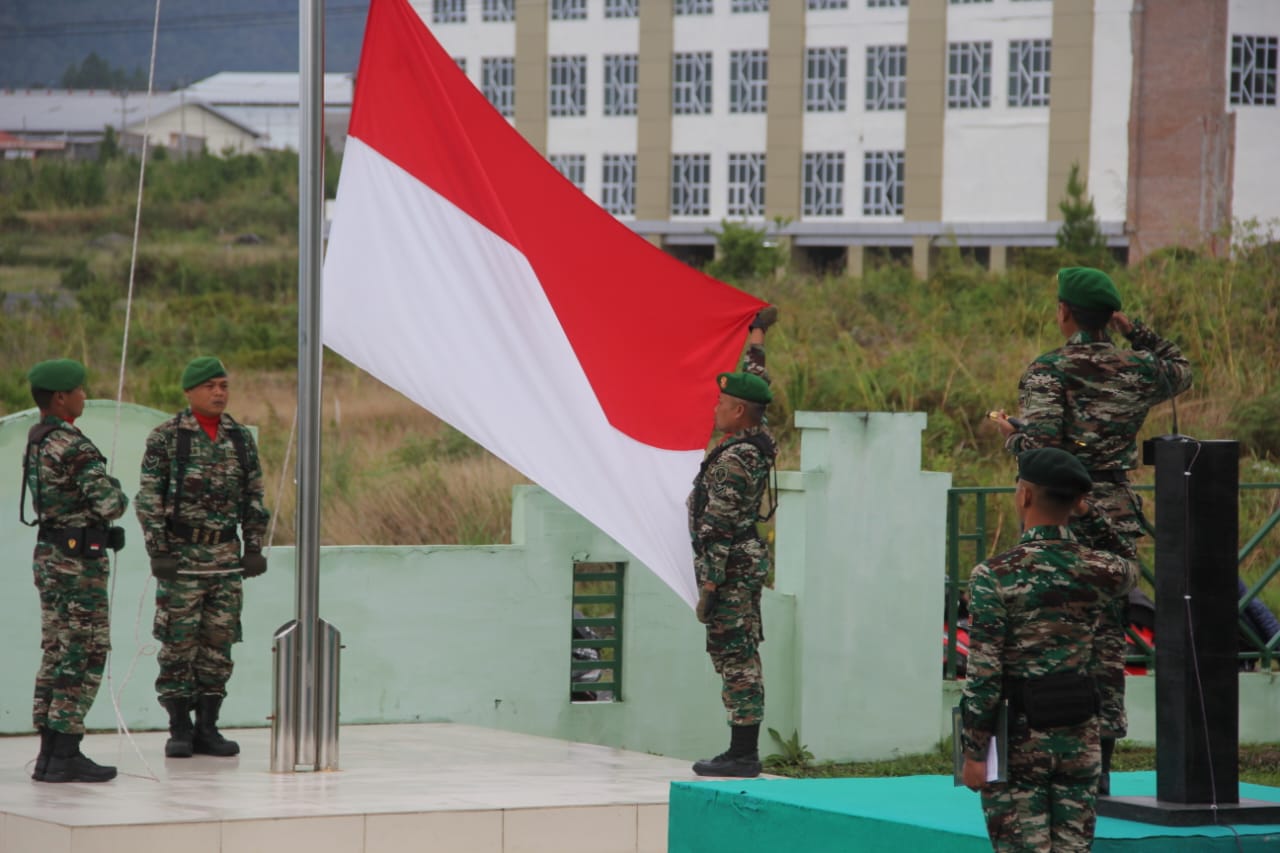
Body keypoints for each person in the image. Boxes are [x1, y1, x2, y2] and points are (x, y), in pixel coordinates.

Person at [990, 266, 1192, 793]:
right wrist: (1135, 331)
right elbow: (1180, 366)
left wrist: (1012, 437)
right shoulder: (1139, 367)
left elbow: (1041, 454)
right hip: (1116, 514)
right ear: (1110, 315)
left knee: (1049, 636)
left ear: (1063, 312)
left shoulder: (1049, 371)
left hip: (1062, 512)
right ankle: (1098, 766)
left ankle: (1048, 758)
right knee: (1106, 639)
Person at [961, 448, 1139, 851]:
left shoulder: (994, 575)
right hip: (1080, 732)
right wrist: (1088, 512)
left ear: (1024, 496)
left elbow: (984, 674)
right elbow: (1130, 561)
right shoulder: (1099, 569)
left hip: (1018, 738)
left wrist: (973, 752)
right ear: (1076, 502)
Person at [135, 357, 269, 759]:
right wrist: (158, 551)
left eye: (224, 385)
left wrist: (255, 547)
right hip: (182, 559)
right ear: (190, 391)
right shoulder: (167, 437)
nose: (219, 393)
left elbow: (254, 497)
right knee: (178, 644)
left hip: (226, 559)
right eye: (210, 386)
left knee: (218, 644)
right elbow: (149, 499)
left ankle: (208, 728)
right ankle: (179, 727)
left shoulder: (240, 438)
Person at [21, 359, 129, 783]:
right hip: (76, 564)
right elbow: (111, 503)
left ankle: (49, 751)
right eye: (80, 390)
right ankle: (65, 750)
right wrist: (115, 494)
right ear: (61, 398)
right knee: (84, 651)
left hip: (49, 555)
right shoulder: (72, 444)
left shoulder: (37, 439)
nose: (85, 395)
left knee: (56, 649)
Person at [688, 307, 778, 778]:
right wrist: (757, 335)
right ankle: (741, 748)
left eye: (722, 404)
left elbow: (717, 530)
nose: (715, 408)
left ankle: (742, 753)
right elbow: (755, 378)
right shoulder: (758, 434)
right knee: (739, 651)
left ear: (738, 412)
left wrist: (708, 589)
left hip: (731, 569)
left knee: (736, 655)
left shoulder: (735, 460)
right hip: (747, 561)